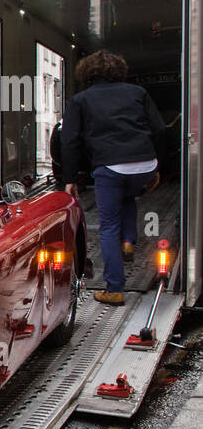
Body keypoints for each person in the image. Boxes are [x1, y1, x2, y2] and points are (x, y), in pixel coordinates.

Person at [60, 50, 165, 306]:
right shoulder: (137, 93)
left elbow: (69, 140)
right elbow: (160, 128)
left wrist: (71, 177)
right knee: (128, 195)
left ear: (87, 73)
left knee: (108, 226)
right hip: (144, 163)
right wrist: (157, 166)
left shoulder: (80, 100)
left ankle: (114, 289)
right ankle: (128, 240)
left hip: (111, 166)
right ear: (119, 71)